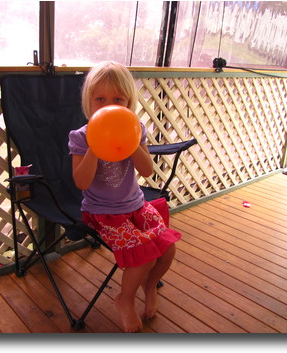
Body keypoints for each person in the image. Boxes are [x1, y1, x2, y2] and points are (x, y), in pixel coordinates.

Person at [68, 61, 182, 333]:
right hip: (102, 212)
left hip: (136, 205)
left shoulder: (135, 128)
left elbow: (146, 170)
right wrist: (95, 145)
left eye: (117, 99)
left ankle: (149, 286)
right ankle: (125, 299)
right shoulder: (81, 138)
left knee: (167, 249)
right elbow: (81, 183)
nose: (108, 104)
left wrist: (131, 142)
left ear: (129, 102)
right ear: (89, 102)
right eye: (100, 99)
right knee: (143, 255)